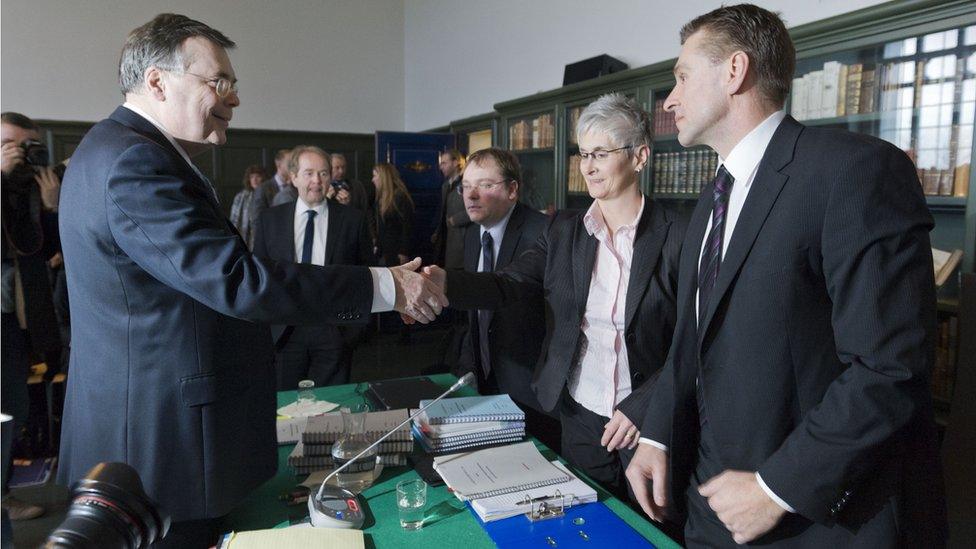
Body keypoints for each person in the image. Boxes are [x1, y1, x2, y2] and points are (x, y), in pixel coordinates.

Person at [56, 14, 445, 548]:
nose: (233, 98)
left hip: (151, 426)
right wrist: (390, 287)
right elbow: (237, 281)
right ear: (156, 80)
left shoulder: (123, 150)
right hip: (156, 441)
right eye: (218, 82)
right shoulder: (135, 163)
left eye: (233, 84)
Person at [624, 5, 946, 547]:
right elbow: (691, 339)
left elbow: (889, 367)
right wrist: (656, 433)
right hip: (708, 503)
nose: (670, 100)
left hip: (808, 516)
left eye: (681, 77)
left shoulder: (855, 170)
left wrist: (777, 489)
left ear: (734, 71)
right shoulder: (710, 200)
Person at [426, 94, 688, 499]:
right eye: (583, 153)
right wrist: (441, 282)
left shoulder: (680, 234)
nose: (587, 166)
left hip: (649, 422)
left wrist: (643, 406)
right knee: (588, 520)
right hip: (580, 414)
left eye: (601, 153)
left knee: (652, 530)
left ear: (640, 156)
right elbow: (507, 285)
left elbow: (694, 337)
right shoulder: (564, 230)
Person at [452, 147, 560, 452]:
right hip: (485, 381)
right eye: (466, 186)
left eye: (485, 185)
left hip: (534, 393)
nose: (471, 196)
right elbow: (476, 313)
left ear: (513, 190)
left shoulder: (543, 234)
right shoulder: (474, 234)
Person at [252, 146, 371, 390]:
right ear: (293, 177)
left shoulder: (353, 220)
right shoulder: (269, 220)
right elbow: (259, 275)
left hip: (334, 331)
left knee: (332, 408)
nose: (316, 181)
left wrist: (351, 332)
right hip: (284, 332)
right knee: (284, 410)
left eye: (324, 173)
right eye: (308, 173)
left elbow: (366, 273)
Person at [1, 112, 61, 522]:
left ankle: (3, 494)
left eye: (28, 145)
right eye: (10, 143)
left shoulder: (31, 189)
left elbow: (49, 251)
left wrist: (53, 207)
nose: (21, 153)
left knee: (14, 407)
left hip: (21, 318)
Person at [431, 149, 469, 270]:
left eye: (444, 163)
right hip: (443, 240)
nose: (441, 167)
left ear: (455, 162)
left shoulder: (467, 183)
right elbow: (443, 211)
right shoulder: (445, 185)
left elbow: (479, 208)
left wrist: (455, 220)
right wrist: (437, 231)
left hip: (461, 240)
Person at [372, 163, 415, 267]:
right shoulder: (380, 198)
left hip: (396, 252)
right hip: (383, 251)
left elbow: (407, 227)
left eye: (375, 176)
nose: (372, 180)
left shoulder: (400, 197)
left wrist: (404, 252)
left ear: (383, 177)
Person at [250, 148, 291, 222]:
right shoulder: (263, 189)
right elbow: (257, 220)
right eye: (289, 163)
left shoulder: (295, 187)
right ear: (278, 164)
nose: (293, 167)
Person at [229, 164, 264, 247]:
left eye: (257, 176)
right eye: (252, 177)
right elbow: (234, 220)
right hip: (244, 235)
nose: (255, 180)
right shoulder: (241, 197)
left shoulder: (268, 195)